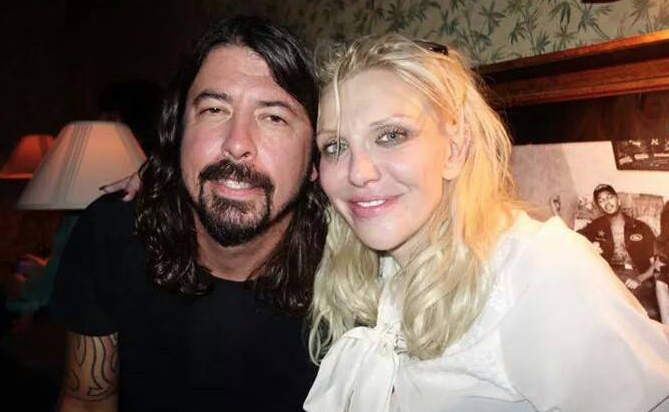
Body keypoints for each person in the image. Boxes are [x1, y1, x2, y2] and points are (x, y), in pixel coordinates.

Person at [303, 34, 669, 412]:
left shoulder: (539, 270)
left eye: (391, 135)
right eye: (335, 146)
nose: (357, 172)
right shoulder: (376, 270)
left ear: (455, 148)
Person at [50, 15, 326, 412]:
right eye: (214, 110)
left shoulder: (362, 270)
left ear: (316, 159)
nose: (237, 144)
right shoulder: (111, 233)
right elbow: (86, 400)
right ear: (177, 133)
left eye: (274, 117)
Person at [578, 183, 661, 319]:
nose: (607, 203)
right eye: (601, 200)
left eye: (609, 197)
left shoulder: (641, 227)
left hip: (637, 277)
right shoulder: (595, 227)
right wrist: (589, 246)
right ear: (599, 207)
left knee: (648, 314)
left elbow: (657, 262)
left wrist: (640, 278)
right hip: (608, 277)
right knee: (599, 313)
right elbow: (571, 239)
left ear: (618, 200)